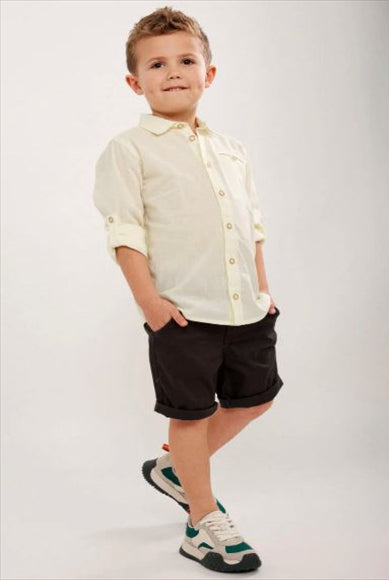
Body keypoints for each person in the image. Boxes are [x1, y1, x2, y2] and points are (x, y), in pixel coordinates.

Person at [92, 5, 284, 574]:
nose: (173, 71)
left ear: (209, 73)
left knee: (257, 397)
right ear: (135, 82)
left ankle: (175, 469)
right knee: (192, 415)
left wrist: (263, 289)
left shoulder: (232, 149)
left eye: (185, 60)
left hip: (246, 306)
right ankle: (203, 523)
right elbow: (125, 232)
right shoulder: (130, 149)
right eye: (156, 64)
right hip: (181, 312)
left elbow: (251, 226)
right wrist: (150, 304)